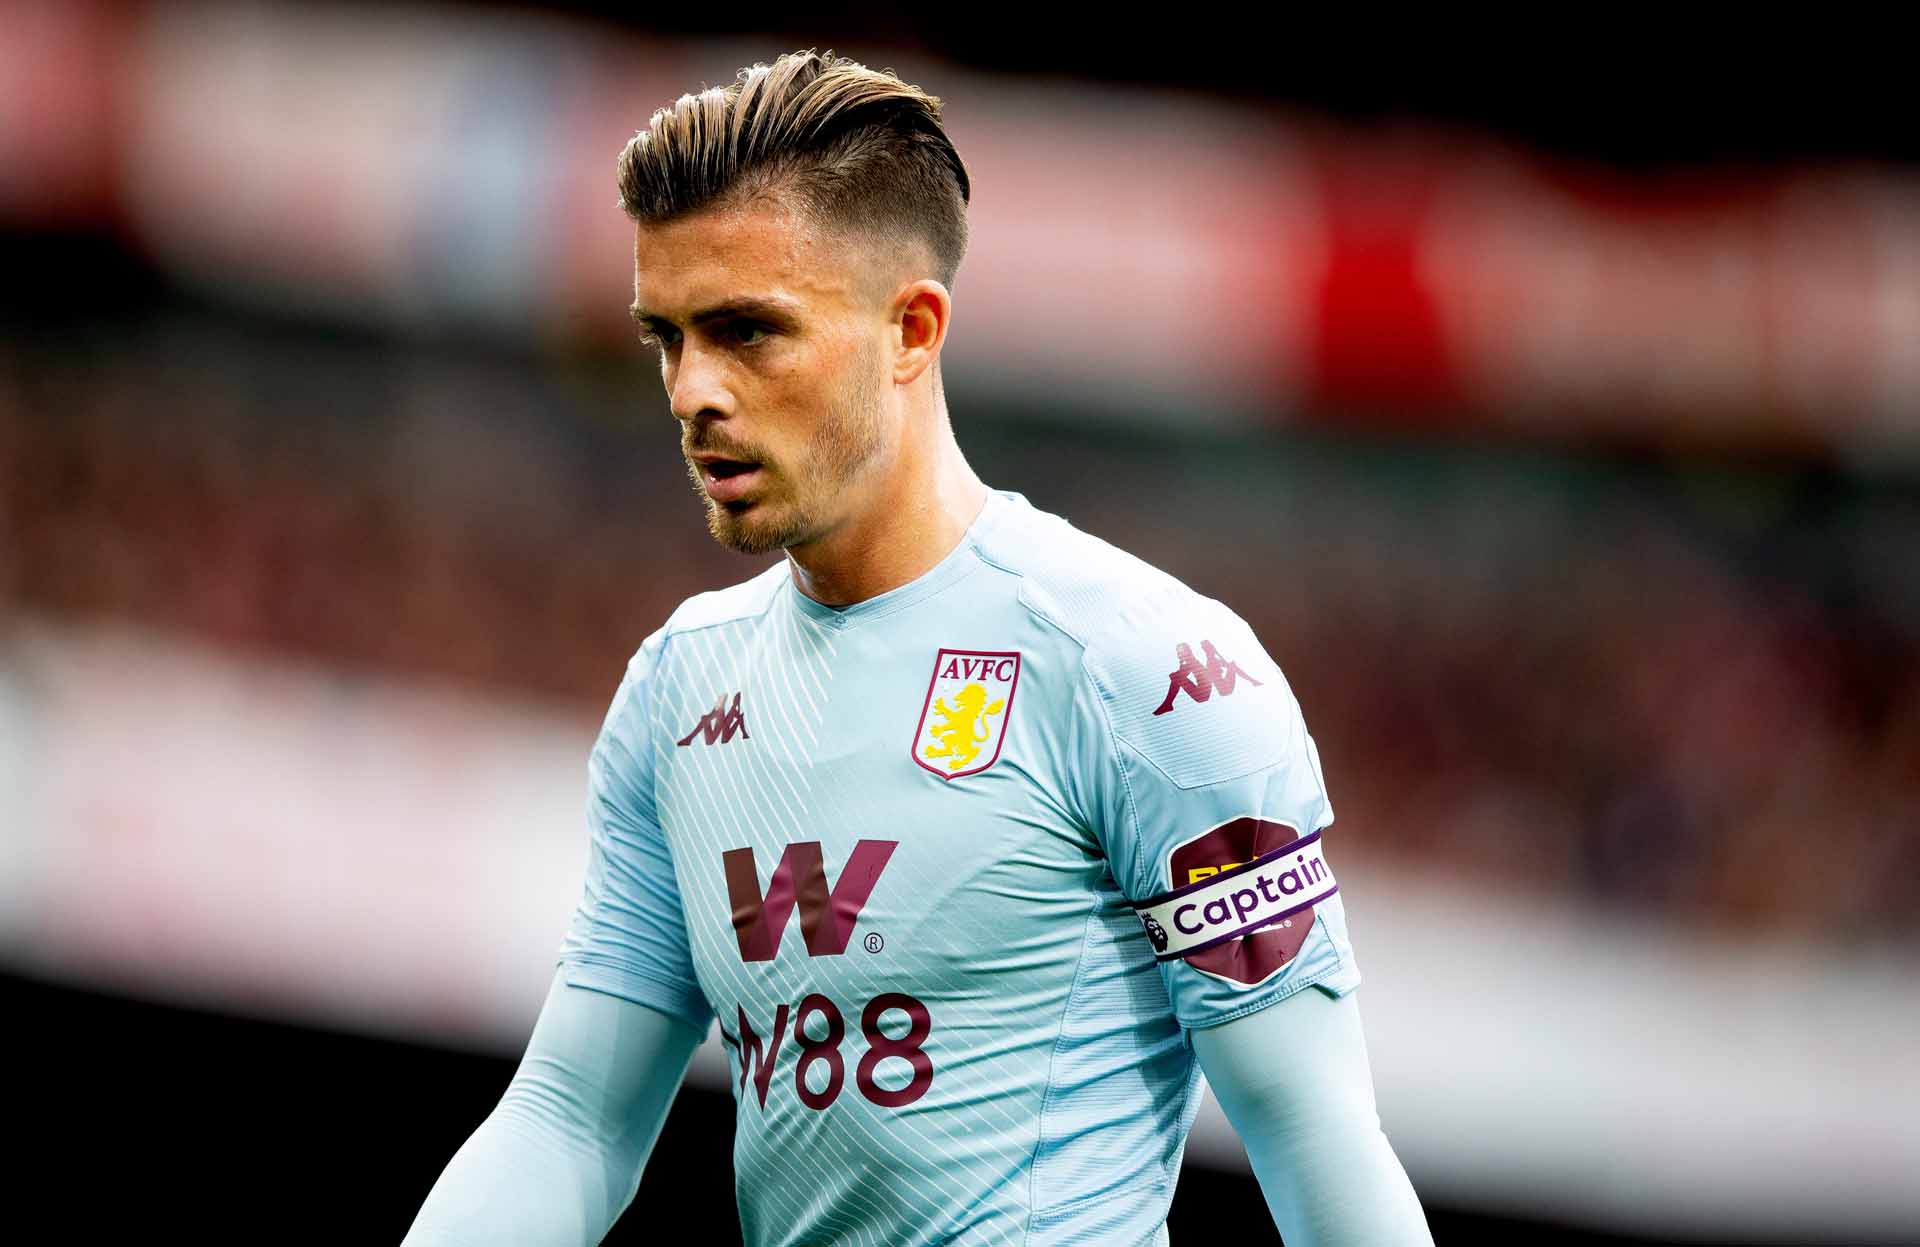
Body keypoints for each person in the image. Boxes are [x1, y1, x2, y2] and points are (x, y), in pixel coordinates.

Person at [403, 50, 1432, 1247]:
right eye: (667, 338)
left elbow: (1314, 1134)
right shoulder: (679, 692)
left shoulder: (1146, 670)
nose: (691, 392)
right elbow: (570, 1120)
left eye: (746, 331)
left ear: (911, 328)